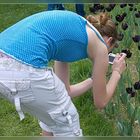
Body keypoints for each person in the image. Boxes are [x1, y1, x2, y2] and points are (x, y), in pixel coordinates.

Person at [0, 10, 126, 136]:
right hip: (24, 65)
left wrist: (94, 80)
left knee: (52, 115)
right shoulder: (101, 46)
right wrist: (116, 72)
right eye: (110, 50)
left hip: (4, 58)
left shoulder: (73, 32)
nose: (107, 53)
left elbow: (66, 91)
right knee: (68, 121)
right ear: (109, 41)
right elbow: (101, 102)